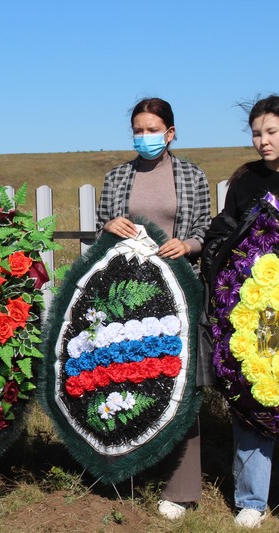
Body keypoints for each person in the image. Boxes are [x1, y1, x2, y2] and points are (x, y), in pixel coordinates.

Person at [204, 95, 279, 531]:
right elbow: (224, 230)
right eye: (256, 133)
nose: (262, 141)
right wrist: (231, 270)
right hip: (252, 311)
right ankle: (250, 498)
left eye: (271, 131)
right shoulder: (246, 181)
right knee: (253, 389)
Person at [96, 97, 212, 520]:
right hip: (126, 293)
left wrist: (189, 244)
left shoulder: (192, 176)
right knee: (126, 377)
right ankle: (128, 471)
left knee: (181, 383)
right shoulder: (117, 178)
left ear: (171, 132)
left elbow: (204, 228)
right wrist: (108, 227)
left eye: (152, 129)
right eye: (138, 129)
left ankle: (180, 487)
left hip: (178, 289)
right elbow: (102, 229)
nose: (144, 137)